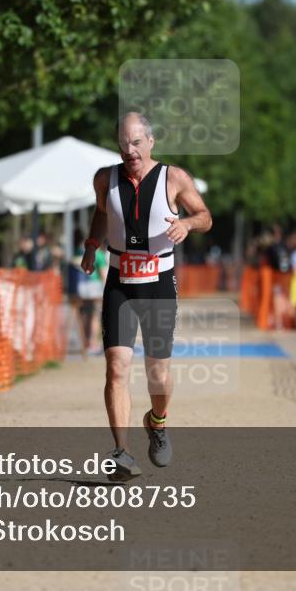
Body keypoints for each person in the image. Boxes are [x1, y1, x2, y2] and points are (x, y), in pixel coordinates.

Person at [81, 112, 212, 480]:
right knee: (117, 367)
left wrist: (186, 223)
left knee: (158, 373)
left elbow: (205, 216)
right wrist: (93, 244)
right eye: (124, 144)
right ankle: (121, 453)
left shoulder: (174, 178)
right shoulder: (105, 179)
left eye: (136, 143)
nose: (130, 151)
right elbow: (102, 213)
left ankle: (157, 421)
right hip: (120, 281)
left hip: (158, 282)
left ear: (151, 142)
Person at [69, 229, 108, 358]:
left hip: (80, 288)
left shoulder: (79, 252)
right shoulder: (100, 255)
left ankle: (85, 343)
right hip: (95, 288)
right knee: (95, 315)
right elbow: (103, 274)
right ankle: (92, 343)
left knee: (84, 314)